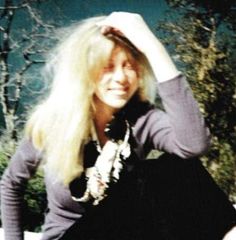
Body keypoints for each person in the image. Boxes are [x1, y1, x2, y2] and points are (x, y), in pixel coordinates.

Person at [1, 12, 235, 240]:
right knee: (148, 174)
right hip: (72, 235)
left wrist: (152, 46)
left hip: (126, 231)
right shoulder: (54, 122)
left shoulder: (143, 119)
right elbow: (12, 183)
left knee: (176, 166)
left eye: (129, 65)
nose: (121, 78)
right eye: (107, 67)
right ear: (85, 72)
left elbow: (193, 145)